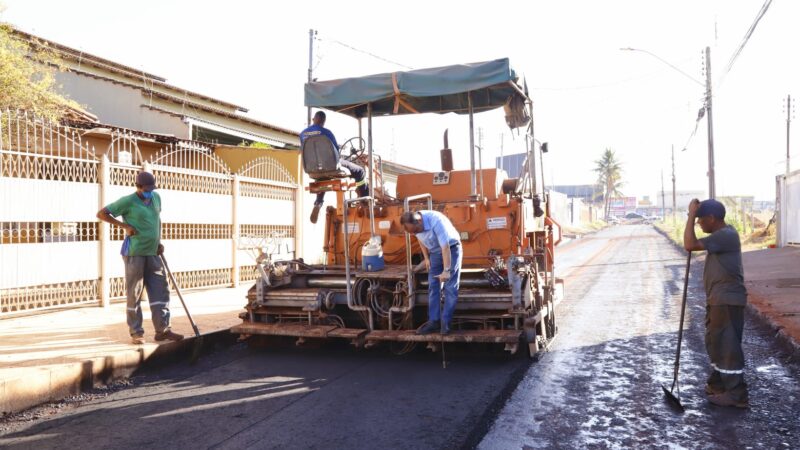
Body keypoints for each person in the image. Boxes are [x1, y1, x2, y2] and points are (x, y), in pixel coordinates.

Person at [96, 171, 183, 345]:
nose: (149, 192)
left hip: (153, 252)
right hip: (134, 253)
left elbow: (157, 220)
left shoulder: (156, 198)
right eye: (146, 189)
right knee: (134, 292)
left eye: (152, 189)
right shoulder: (128, 201)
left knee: (160, 290)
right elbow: (102, 214)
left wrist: (158, 241)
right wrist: (125, 226)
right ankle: (136, 332)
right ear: (138, 187)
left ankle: (163, 330)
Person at [683, 198, 748, 408]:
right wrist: (693, 215)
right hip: (719, 299)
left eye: (701, 220)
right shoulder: (721, 236)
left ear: (711, 218)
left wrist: (691, 214)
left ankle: (736, 395)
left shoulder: (725, 235)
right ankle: (718, 384)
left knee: (727, 346)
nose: (699, 224)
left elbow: (689, 245)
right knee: (716, 342)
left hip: (727, 299)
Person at [400, 210, 462, 335]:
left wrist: (446, 271)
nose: (415, 233)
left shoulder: (436, 222)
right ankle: (434, 322)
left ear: (419, 221)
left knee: (450, 287)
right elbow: (420, 240)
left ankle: (446, 323)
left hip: (451, 249)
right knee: (433, 286)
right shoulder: (415, 227)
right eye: (413, 232)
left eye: (415, 231)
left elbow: (445, 248)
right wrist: (426, 258)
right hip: (435, 253)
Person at [300, 111, 369, 224]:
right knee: (360, 171)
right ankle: (364, 201)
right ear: (323, 121)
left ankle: (318, 203)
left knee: (323, 177)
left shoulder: (302, 134)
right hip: (331, 166)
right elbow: (335, 151)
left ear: (313, 119)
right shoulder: (326, 133)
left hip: (313, 169)